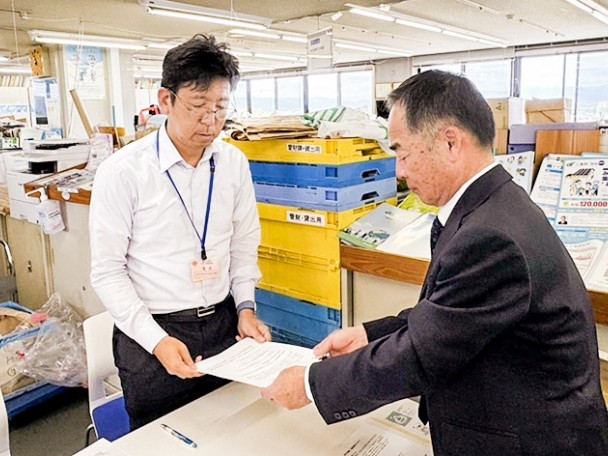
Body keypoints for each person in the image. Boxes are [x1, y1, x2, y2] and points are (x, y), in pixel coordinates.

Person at [261, 70, 608, 455]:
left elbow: (422, 354)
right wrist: (369, 336)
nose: (399, 171)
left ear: (450, 142)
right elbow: (449, 315)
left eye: (402, 153)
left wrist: (310, 384)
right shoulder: (493, 206)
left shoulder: (491, 237)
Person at [90, 34, 271, 430]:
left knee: (232, 430)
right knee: (162, 440)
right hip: (153, 334)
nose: (211, 120)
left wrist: (245, 307)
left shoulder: (233, 163)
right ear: (165, 100)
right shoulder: (122, 172)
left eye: (220, 107)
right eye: (198, 106)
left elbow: (243, 244)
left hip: (223, 325)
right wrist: (156, 341)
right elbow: (107, 272)